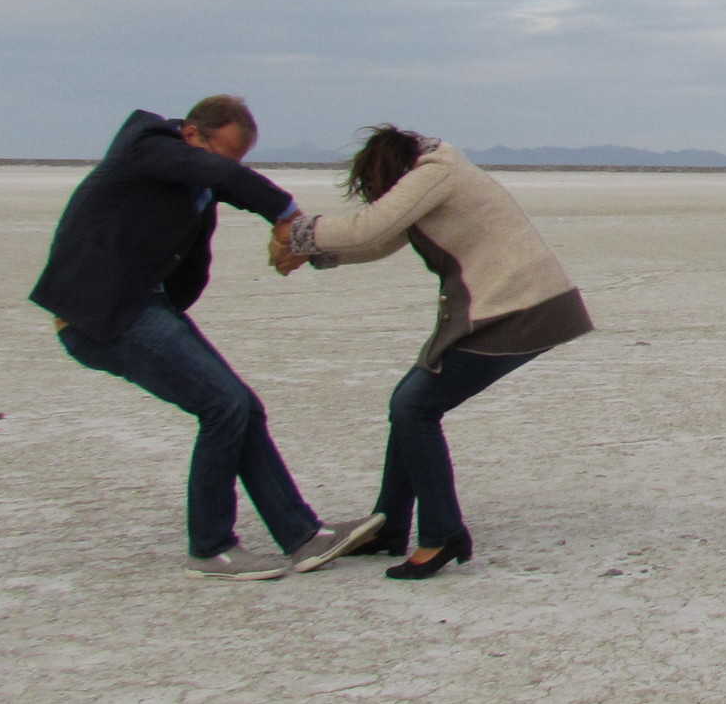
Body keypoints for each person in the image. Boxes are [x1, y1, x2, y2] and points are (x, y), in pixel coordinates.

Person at [31, 96, 380, 579]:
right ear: (192, 134)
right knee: (223, 406)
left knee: (243, 408)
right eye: (224, 154)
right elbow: (225, 179)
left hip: (144, 307)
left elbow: (222, 187)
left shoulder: (190, 175)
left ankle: (303, 537)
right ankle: (211, 547)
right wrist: (287, 213)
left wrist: (298, 244)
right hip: (102, 315)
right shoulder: (147, 147)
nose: (228, 167)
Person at [269, 125, 594, 578]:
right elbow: (381, 239)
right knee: (409, 401)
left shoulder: (436, 171)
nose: (375, 195)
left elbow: (371, 225)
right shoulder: (430, 176)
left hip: (519, 309)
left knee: (414, 406)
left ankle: (442, 534)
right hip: (505, 306)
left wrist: (298, 234)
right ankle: (389, 524)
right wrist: (316, 253)